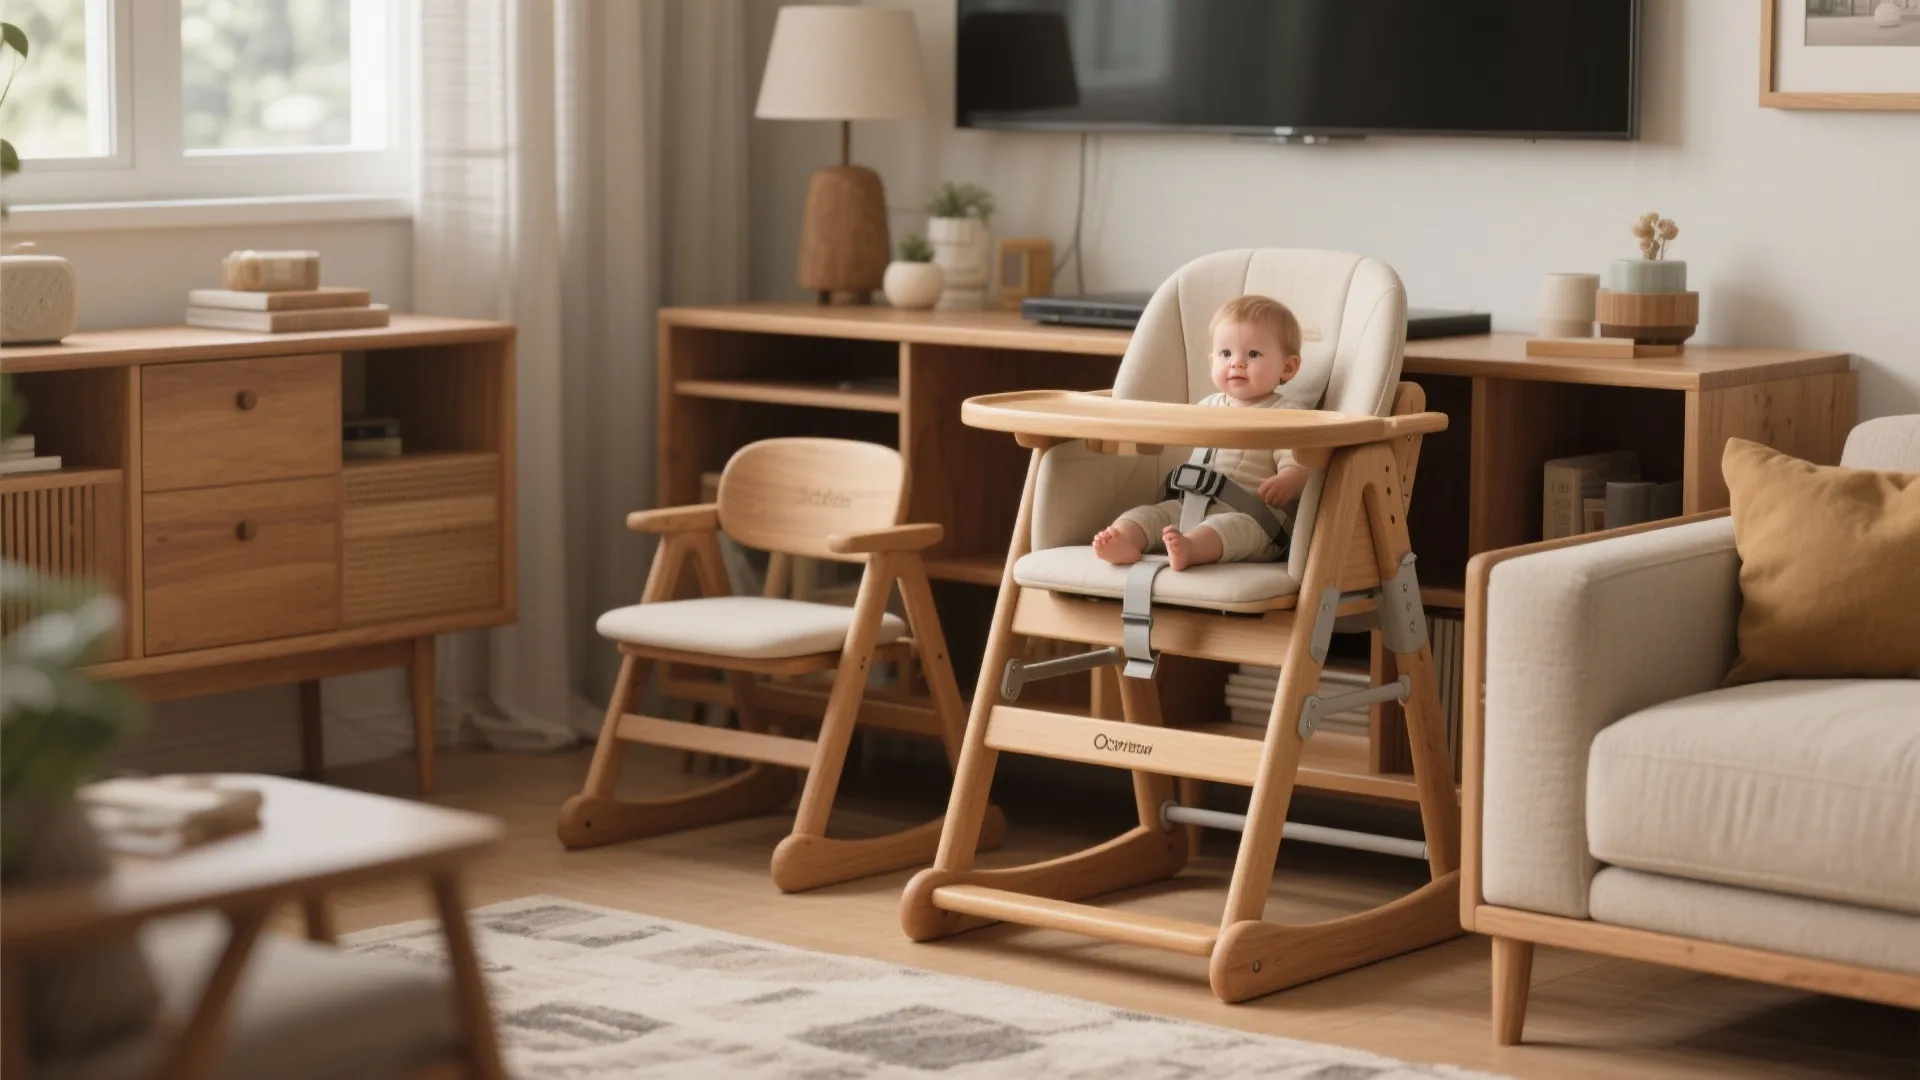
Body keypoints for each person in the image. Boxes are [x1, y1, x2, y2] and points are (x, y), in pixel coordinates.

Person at [1091, 293, 1313, 571]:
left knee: (1227, 530)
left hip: (1253, 518)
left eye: (1253, 354)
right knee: (1147, 515)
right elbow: (1175, 431)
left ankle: (1191, 548)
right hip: (1188, 504)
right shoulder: (1206, 406)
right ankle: (1125, 538)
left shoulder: (1286, 414)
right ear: (1212, 364)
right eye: (1226, 354)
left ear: (1288, 367)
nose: (1237, 363)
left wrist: (1289, 480)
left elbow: (1302, 460)